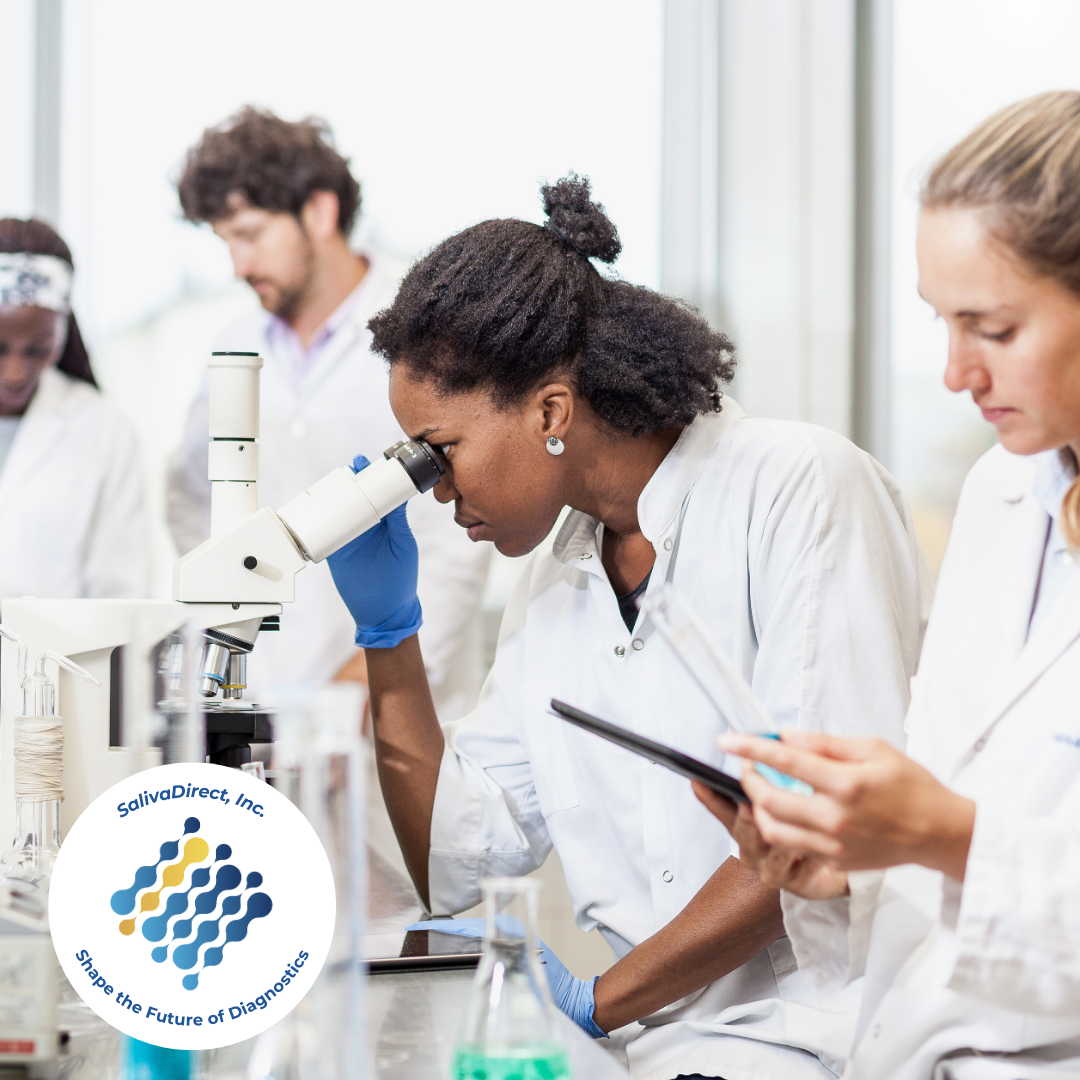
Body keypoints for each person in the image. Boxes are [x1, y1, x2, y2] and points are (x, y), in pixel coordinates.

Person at [327, 174, 932, 1080]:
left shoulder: (796, 486)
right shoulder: (558, 580)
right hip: (653, 1051)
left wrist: (602, 999)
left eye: (441, 452)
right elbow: (454, 871)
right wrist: (389, 640)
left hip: (825, 1040)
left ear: (552, 412)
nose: (439, 490)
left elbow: (820, 834)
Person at [700, 91, 1080, 1080]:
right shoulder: (1003, 495)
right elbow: (966, 817)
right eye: (940, 322)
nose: (955, 372)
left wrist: (947, 836)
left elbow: (974, 837)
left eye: (990, 327)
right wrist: (842, 863)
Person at [168, 107, 490, 715]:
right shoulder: (236, 348)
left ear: (318, 212)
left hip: (398, 690)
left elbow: (464, 535)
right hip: (262, 691)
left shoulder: (424, 331)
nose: (238, 265)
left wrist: (365, 680)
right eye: (224, 241)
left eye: (251, 234)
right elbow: (189, 495)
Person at [0, 218, 147, 600]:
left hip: (52, 659)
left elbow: (120, 595)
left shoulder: (103, 429)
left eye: (38, 348)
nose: (15, 372)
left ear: (64, 330)